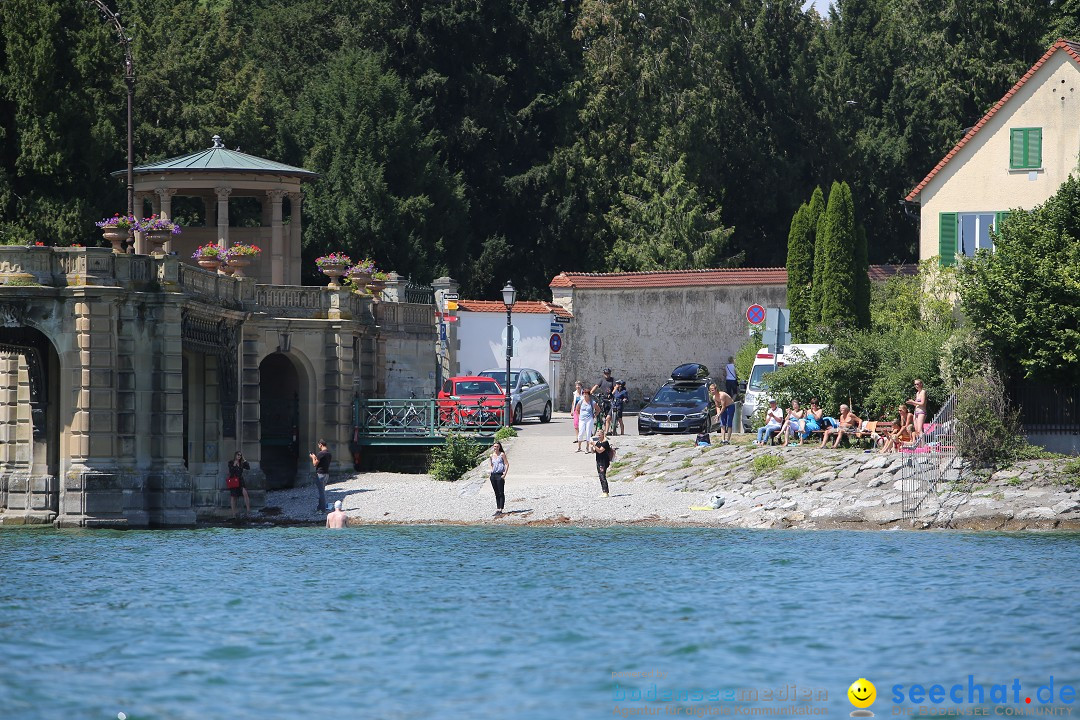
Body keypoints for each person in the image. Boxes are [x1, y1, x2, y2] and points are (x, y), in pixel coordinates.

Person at [308, 439, 331, 514]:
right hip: (326, 474)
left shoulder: (321, 453)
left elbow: (315, 464)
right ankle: (319, 508)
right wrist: (315, 457)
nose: (318, 446)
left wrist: (313, 457)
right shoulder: (329, 453)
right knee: (322, 491)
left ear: (321, 444)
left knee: (321, 493)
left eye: (318, 445)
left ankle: (322, 510)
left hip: (320, 475)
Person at [226, 451, 251, 517]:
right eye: (238, 455)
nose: (239, 456)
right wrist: (234, 464)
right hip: (233, 480)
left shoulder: (241, 463)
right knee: (233, 497)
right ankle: (233, 513)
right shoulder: (231, 462)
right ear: (235, 455)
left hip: (240, 480)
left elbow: (248, 467)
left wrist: (244, 460)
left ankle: (248, 511)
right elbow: (231, 471)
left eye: (240, 455)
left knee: (245, 494)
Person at [489, 440, 509, 515]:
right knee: (496, 492)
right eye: (494, 446)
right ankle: (497, 508)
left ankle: (501, 509)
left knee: (501, 492)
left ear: (499, 447)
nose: (496, 448)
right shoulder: (491, 455)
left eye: (497, 446)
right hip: (493, 475)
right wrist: (491, 471)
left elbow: (507, 464)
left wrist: (504, 474)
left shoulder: (502, 454)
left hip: (500, 475)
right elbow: (491, 464)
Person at [592, 427, 613, 497]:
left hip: (604, 461)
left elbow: (600, 450)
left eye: (599, 435)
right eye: (597, 435)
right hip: (598, 460)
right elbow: (594, 451)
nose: (598, 436)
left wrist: (594, 445)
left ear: (602, 435)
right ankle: (604, 491)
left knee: (602, 475)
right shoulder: (598, 442)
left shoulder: (605, 443)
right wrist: (592, 447)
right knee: (600, 475)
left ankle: (605, 491)